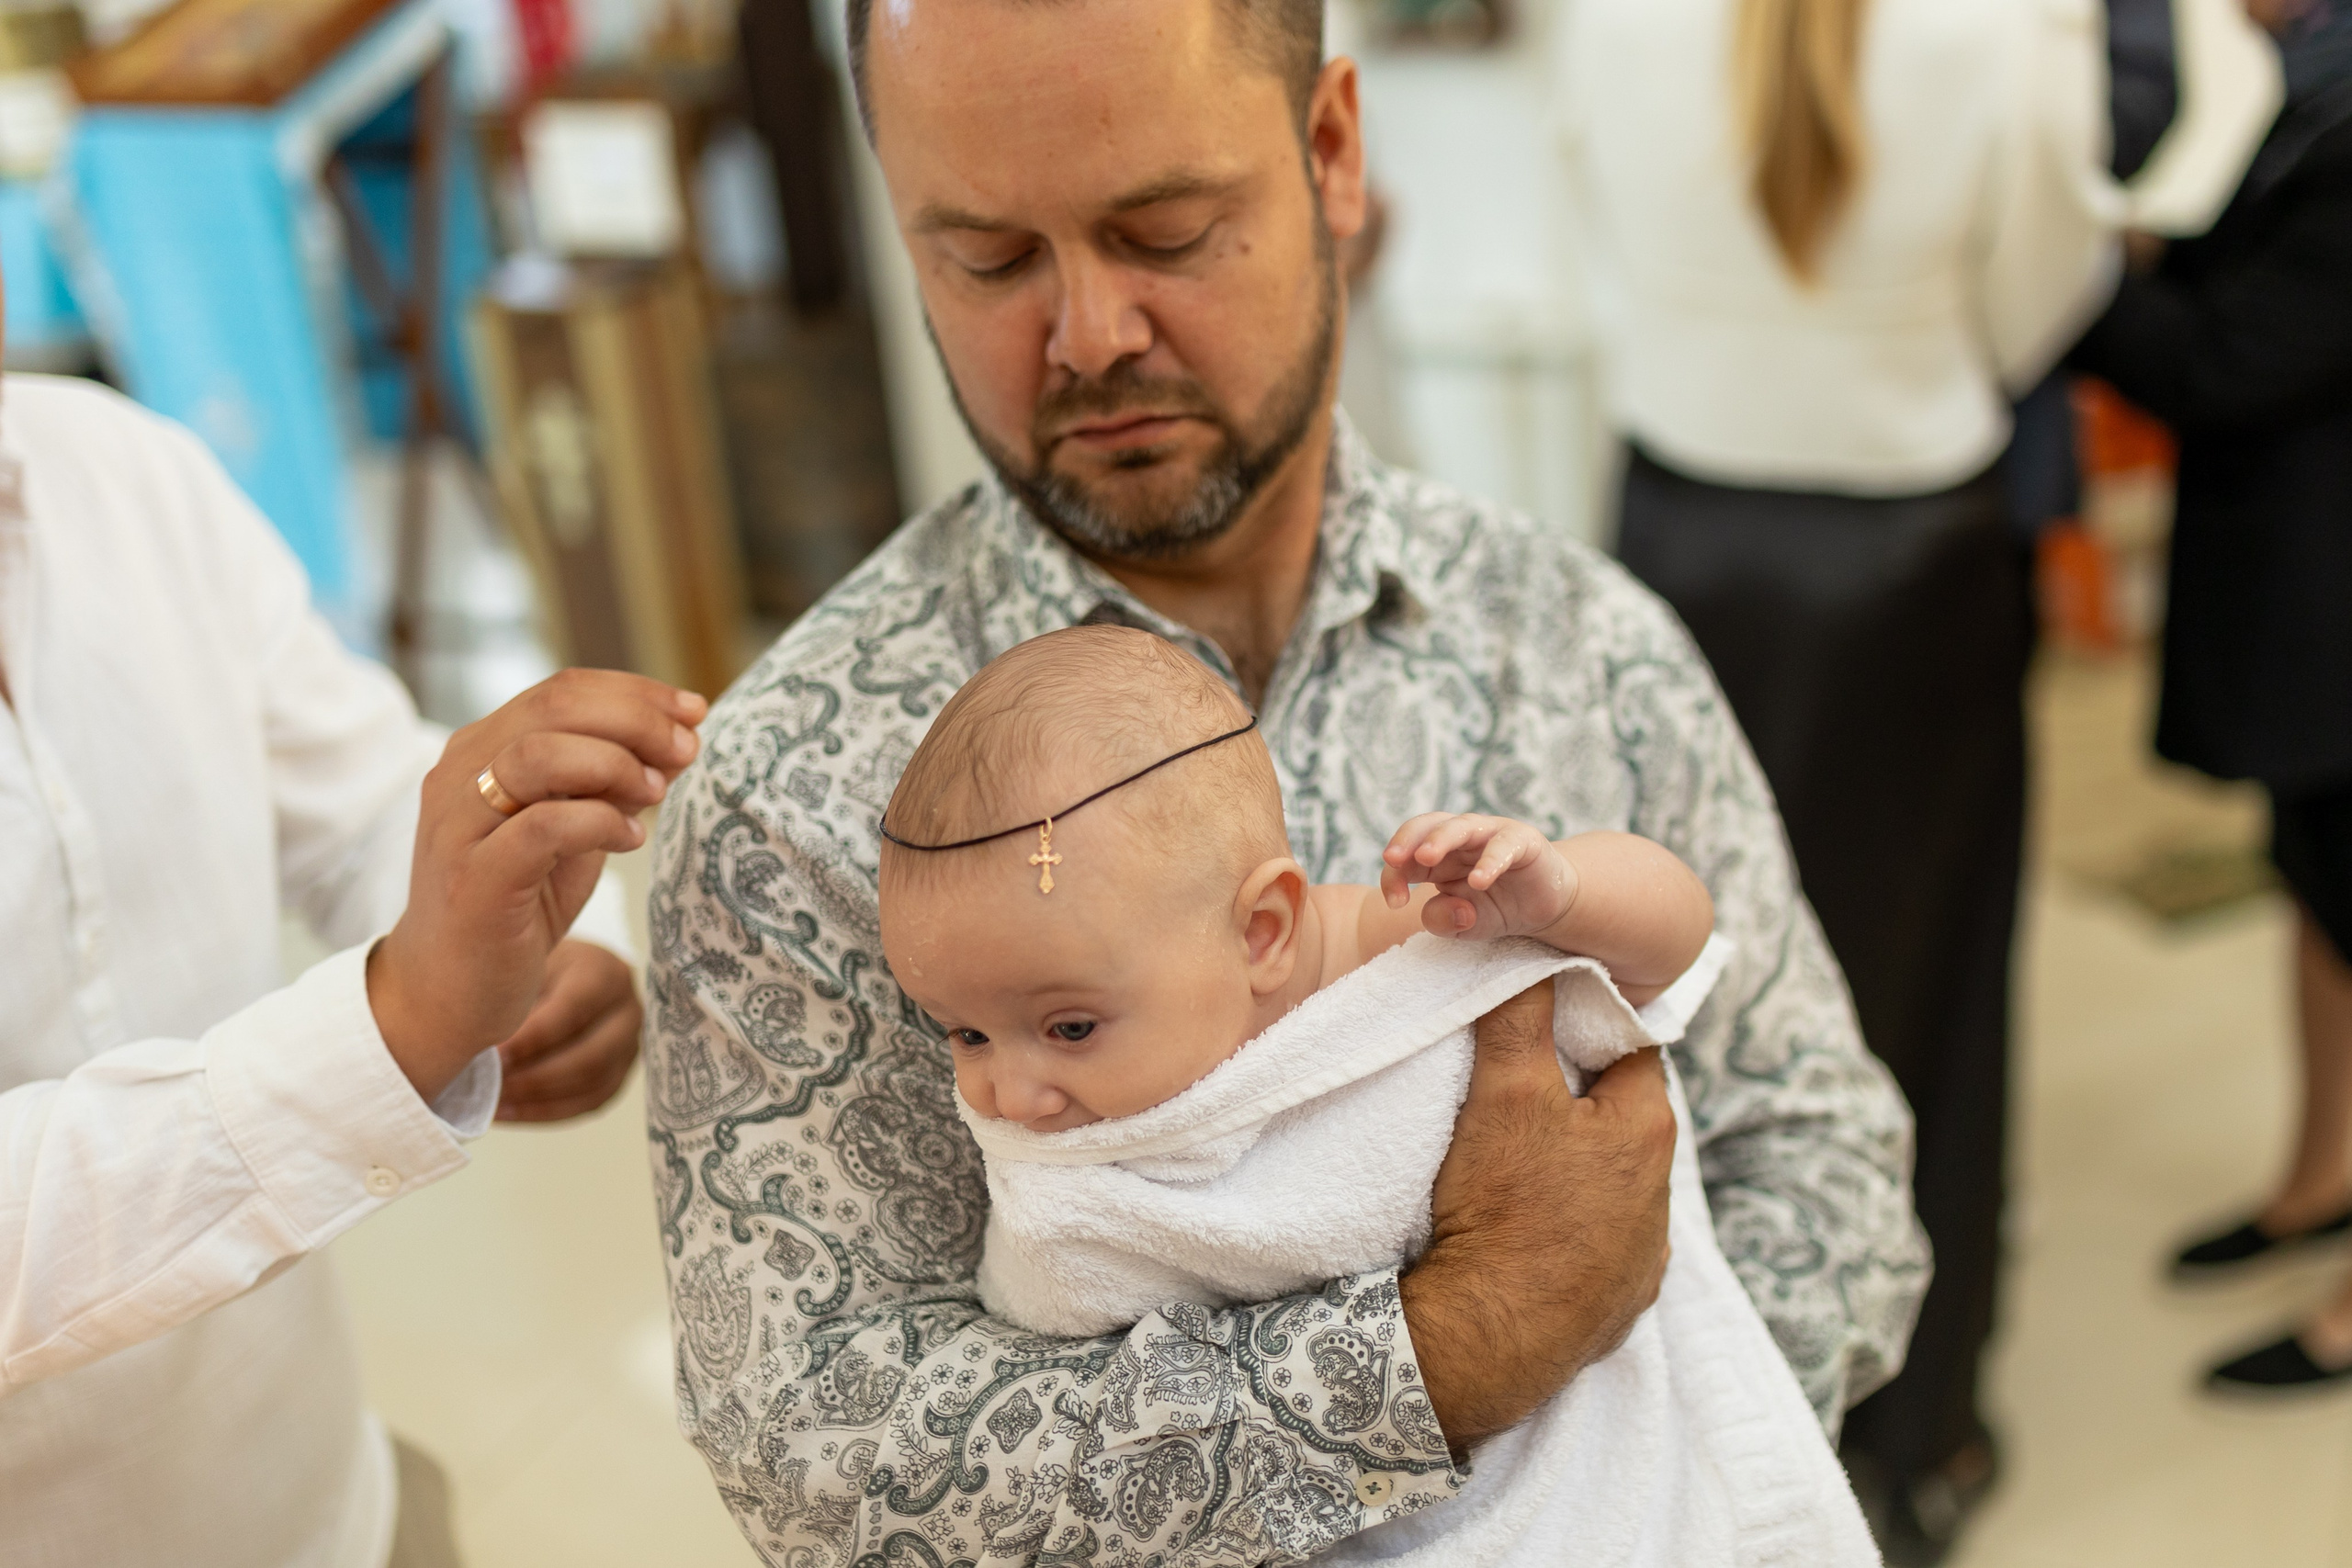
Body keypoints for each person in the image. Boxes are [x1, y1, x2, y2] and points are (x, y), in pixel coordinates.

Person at [640, 2, 1926, 1562]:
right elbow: (816, 1448)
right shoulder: (799, 790)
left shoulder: (1576, 645)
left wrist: (1635, 1475)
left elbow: (1825, 1156)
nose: (1090, 332)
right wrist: (1458, 1343)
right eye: (987, 258)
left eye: (1165, 232)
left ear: (1331, 152)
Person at [1547, 0, 2282, 1552]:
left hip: (1682, 536)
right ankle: (1917, 1431)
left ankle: (1698, 1415)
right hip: (1902, 547)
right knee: (1925, 996)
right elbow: (2041, 303)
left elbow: (1589, 238)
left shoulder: (1610, 16)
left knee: (1667, 995)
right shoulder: (1996, 30)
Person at [876, 626, 1883, 1564]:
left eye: (1069, 1028)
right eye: (964, 1033)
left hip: (1600, 1473)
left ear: (1263, 933)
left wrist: (1565, 892)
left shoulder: (1406, 948)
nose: (1012, 1095)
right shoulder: (1077, 1150)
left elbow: (1675, 944)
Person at [0, 360, 707, 1566]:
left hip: (335, 1501)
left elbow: (365, 792)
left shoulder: (118, 470)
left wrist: (547, 920)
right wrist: (392, 1027)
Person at [2067, 0, 2352, 1392]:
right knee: (2314, 873)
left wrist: (2069, 270)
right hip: (2304, 563)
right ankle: (2322, 1177)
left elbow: (2232, 358)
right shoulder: (2306, 65)